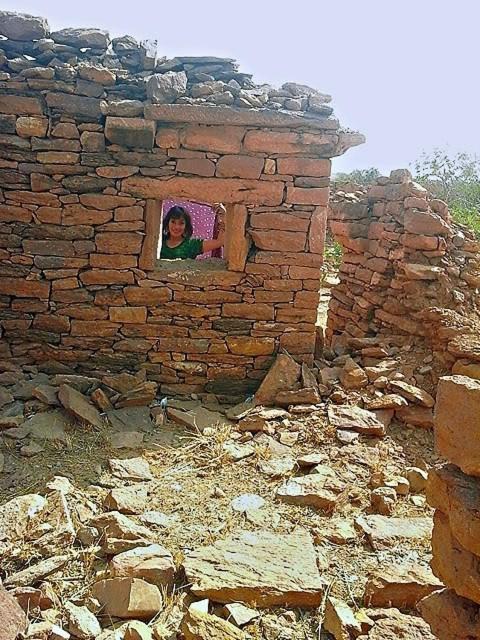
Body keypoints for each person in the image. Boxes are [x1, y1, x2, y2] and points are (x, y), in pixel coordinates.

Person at [159, 203, 226, 260]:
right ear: (167, 222)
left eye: (181, 223)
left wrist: (223, 216)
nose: (176, 227)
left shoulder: (191, 245)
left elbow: (219, 242)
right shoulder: (159, 242)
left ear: (186, 226)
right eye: (173, 222)